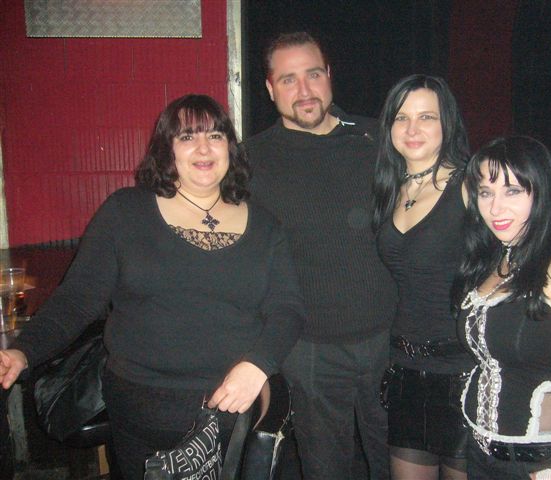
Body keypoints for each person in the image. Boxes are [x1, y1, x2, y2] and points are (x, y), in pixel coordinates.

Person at [0, 94, 304, 479]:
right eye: (187, 136)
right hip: (143, 411)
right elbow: (78, 299)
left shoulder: (265, 226)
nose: (204, 148)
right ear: (166, 149)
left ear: (230, 147)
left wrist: (258, 364)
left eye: (215, 135)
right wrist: (24, 351)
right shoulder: (126, 212)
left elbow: (288, 310)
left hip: (234, 408)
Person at [242, 32, 397, 479]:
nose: (304, 90)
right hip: (309, 349)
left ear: (329, 75)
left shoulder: (378, 139)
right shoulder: (251, 159)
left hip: (389, 340)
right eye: (288, 80)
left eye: (313, 74)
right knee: (324, 469)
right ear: (270, 89)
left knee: (399, 465)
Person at [452, 136, 551, 479]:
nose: (496, 208)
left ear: (540, 191)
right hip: (480, 456)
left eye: (512, 191)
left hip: (542, 464)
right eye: (486, 193)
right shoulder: (495, 260)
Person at [372, 74, 473, 480]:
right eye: (402, 117)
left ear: (447, 123)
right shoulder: (390, 187)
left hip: (464, 369)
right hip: (405, 370)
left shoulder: (470, 184)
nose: (412, 129)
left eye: (426, 117)